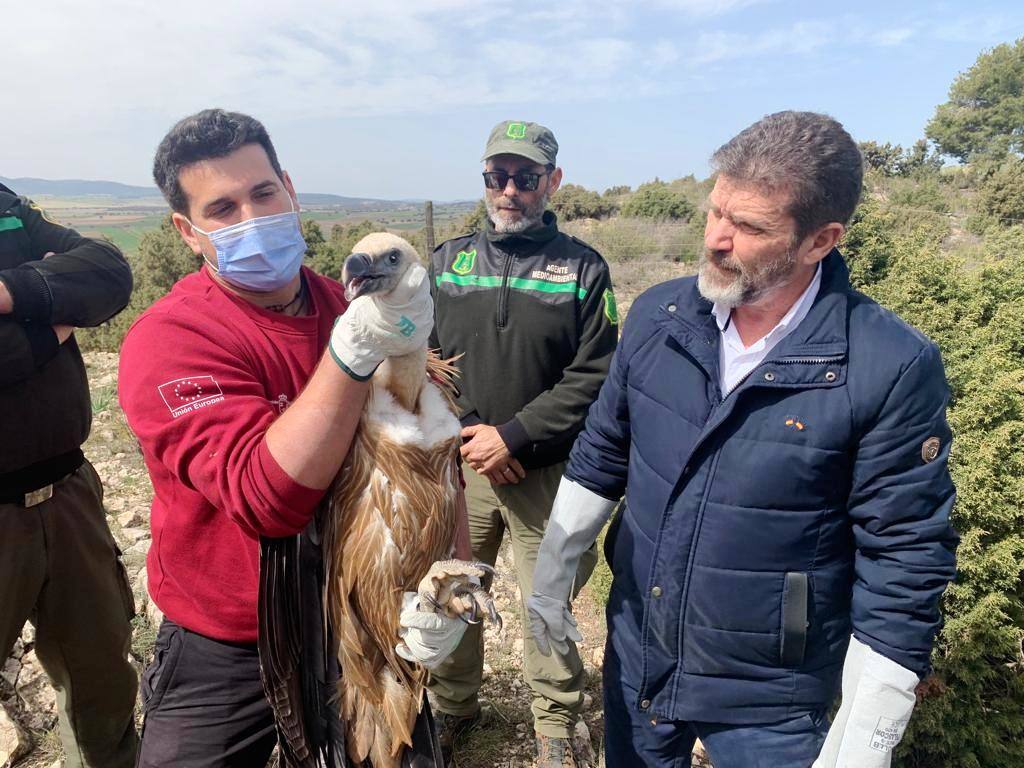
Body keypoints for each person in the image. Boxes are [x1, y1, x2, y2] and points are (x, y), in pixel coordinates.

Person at [527, 111, 959, 768]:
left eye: (750, 226)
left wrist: (867, 740)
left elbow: (904, 559)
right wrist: (550, 585)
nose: (716, 239)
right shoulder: (659, 318)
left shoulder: (887, 366)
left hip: (774, 695)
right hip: (642, 650)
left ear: (821, 241)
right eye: (714, 212)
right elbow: (601, 454)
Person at [118, 109, 467, 767]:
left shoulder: (359, 306)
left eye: (263, 194)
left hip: (365, 624)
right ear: (187, 233)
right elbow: (268, 501)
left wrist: (455, 571)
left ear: (291, 189)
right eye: (222, 208)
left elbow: (435, 454)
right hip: (228, 640)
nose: (252, 218)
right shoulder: (172, 339)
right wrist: (352, 354)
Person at [426, 120, 619, 767]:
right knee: (454, 589)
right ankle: (454, 707)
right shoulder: (447, 261)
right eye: (496, 176)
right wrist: (473, 435)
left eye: (525, 177)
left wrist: (514, 436)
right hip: (463, 468)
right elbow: (423, 357)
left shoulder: (583, 269)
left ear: (552, 182)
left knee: (549, 603)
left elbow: (595, 373)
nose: (508, 189)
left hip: (549, 472)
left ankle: (557, 724)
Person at [0, 181, 137, 767]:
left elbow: (108, 271)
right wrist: (56, 314)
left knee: (101, 676)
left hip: (70, 494)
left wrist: (8, 291)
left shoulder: (4, 205)